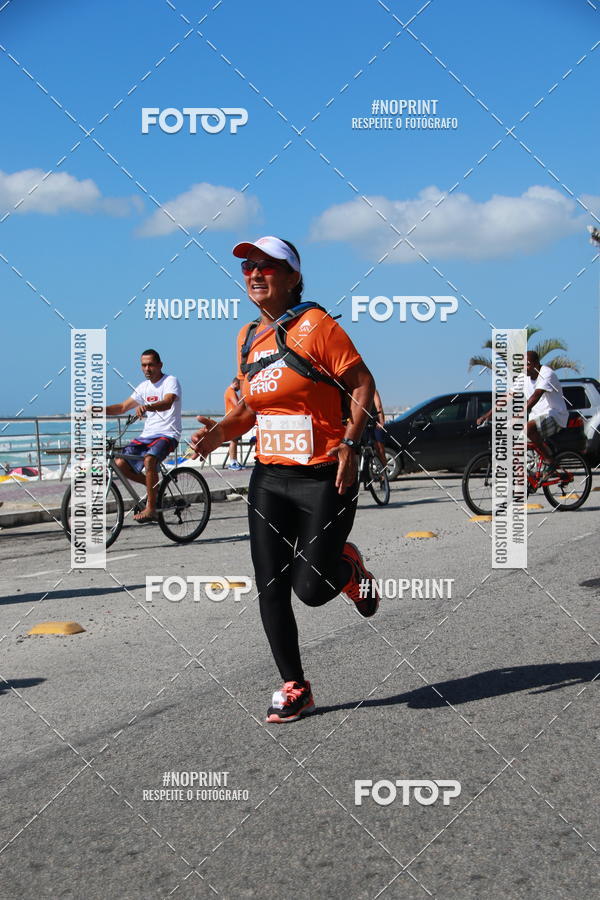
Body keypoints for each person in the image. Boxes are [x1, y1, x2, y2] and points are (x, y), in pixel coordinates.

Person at [190, 236, 380, 723]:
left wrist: (352, 443)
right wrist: (217, 434)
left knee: (311, 589)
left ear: (294, 277)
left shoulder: (318, 327)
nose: (255, 274)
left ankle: (348, 569)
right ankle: (295, 686)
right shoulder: (247, 336)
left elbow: (361, 383)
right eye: (248, 267)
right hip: (270, 478)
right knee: (270, 585)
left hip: (324, 475)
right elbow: (251, 409)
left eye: (268, 267)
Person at [104, 349, 182, 522]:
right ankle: (154, 489)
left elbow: (168, 402)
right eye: (144, 365)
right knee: (120, 464)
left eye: (151, 365)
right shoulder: (143, 387)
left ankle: (152, 509)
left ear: (160, 365)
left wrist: (148, 406)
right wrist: (98, 410)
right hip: (147, 435)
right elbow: (123, 407)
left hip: (168, 434)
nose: (147, 369)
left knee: (149, 460)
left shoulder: (170, 381)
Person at [477, 350, 568, 470]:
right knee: (518, 451)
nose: (524, 368)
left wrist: (517, 416)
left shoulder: (547, 374)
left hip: (555, 416)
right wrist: (487, 415)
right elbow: (508, 396)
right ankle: (526, 484)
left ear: (536, 364)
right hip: (535, 418)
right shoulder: (523, 377)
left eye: (528, 364)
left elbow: (535, 397)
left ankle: (550, 460)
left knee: (528, 428)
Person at [223, 377, 244, 470]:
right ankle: (232, 462)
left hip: (233, 419)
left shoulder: (230, 391)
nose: (239, 389)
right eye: (239, 386)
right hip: (232, 419)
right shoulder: (230, 392)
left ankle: (234, 460)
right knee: (233, 441)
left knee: (235, 441)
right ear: (236, 383)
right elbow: (237, 405)